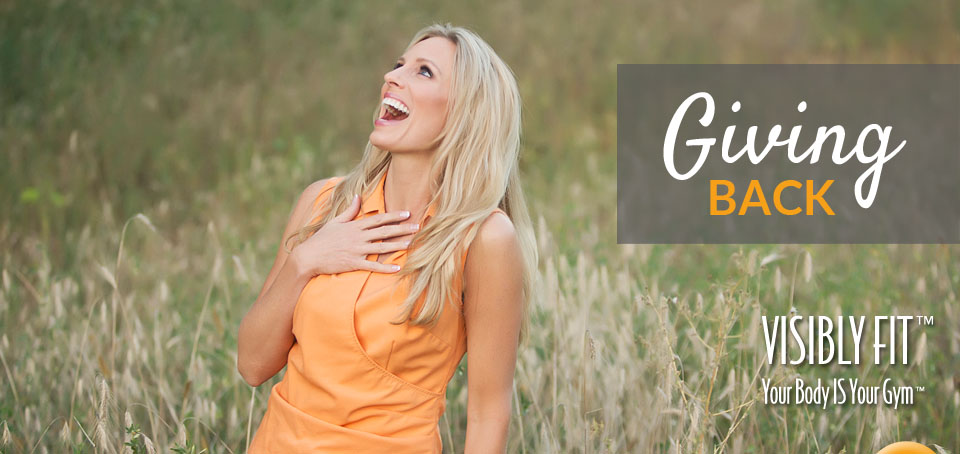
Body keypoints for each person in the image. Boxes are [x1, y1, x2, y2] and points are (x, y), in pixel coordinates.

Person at [237, 22, 538, 453]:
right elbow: (251, 364)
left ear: (466, 113)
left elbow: (488, 412)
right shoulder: (322, 203)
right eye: (399, 65)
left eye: (424, 71)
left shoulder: (484, 238)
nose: (391, 77)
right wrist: (307, 260)